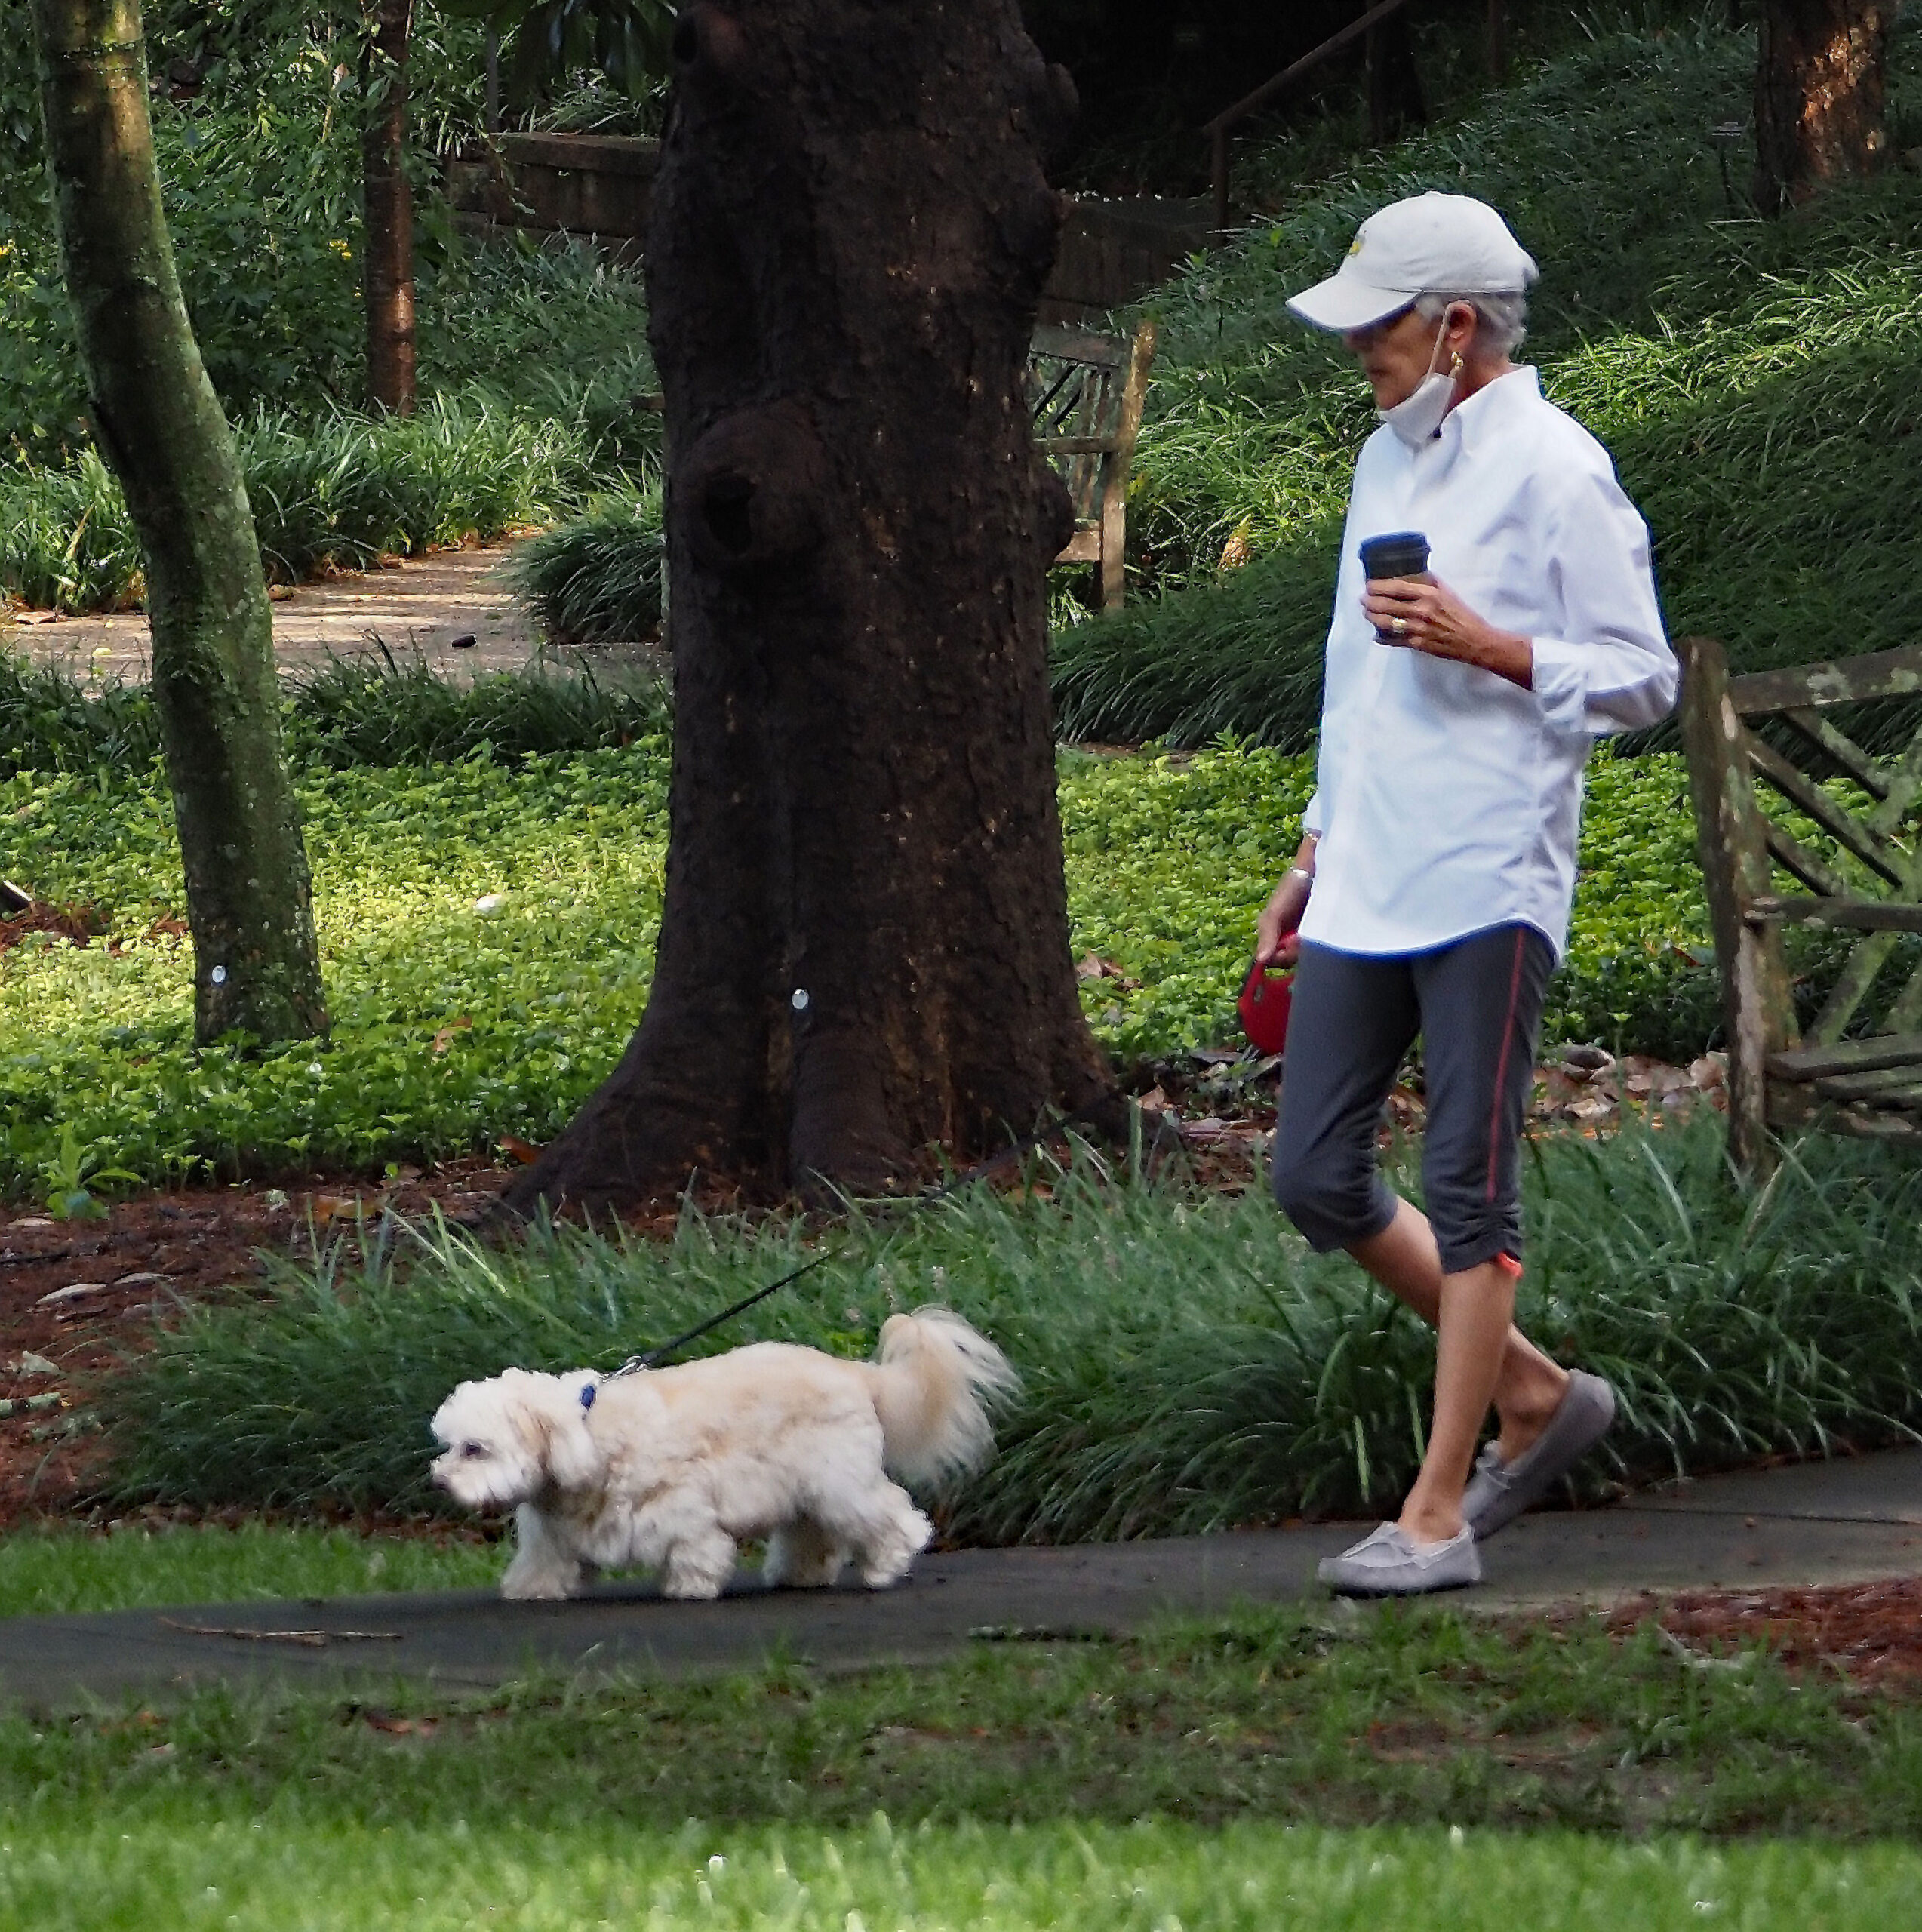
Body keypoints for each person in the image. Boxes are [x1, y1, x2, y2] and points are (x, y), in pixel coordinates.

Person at [1257, 192, 1678, 1596]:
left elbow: (1645, 677)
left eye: (1380, 325)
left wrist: (1497, 648)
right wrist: (1313, 848)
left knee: (1467, 1187)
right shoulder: (1386, 462)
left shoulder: (1557, 465)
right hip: (1371, 864)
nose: (1360, 351)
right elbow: (1350, 669)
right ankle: (1543, 1395)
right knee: (1313, 1173)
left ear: (1454, 327)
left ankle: (1438, 1515)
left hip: (1491, 870)